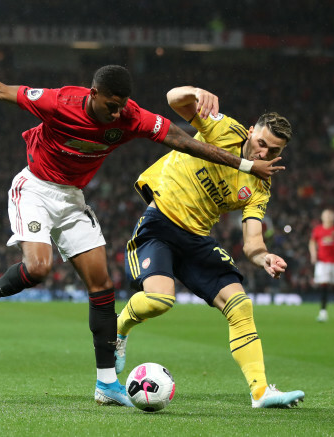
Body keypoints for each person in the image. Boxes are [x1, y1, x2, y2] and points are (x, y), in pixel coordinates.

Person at [0, 45, 284, 407]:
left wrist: (245, 167)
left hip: (72, 199)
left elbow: (181, 140)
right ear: (93, 94)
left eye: (122, 105)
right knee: (38, 268)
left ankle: (106, 384)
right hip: (35, 188)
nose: (117, 113)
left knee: (102, 287)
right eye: (110, 105)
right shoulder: (59, 102)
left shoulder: (130, 116)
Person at [115, 86, 304, 408]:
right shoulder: (224, 129)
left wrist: (264, 257)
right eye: (262, 143)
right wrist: (195, 92)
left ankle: (260, 392)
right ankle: (119, 328)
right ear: (250, 131)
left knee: (240, 305)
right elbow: (173, 99)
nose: (264, 154)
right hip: (160, 224)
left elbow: (253, 242)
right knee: (160, 300)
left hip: (197, 238)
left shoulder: (260, 185)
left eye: (274, 151)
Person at [309, 208, 334, 322]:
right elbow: (312, 243)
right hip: (322, 261)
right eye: (326, 215)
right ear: (322, 217)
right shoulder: (317, 230)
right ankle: (323, 312)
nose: (328, 217)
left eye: (330, 215)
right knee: (324, 285)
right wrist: (313, 254)